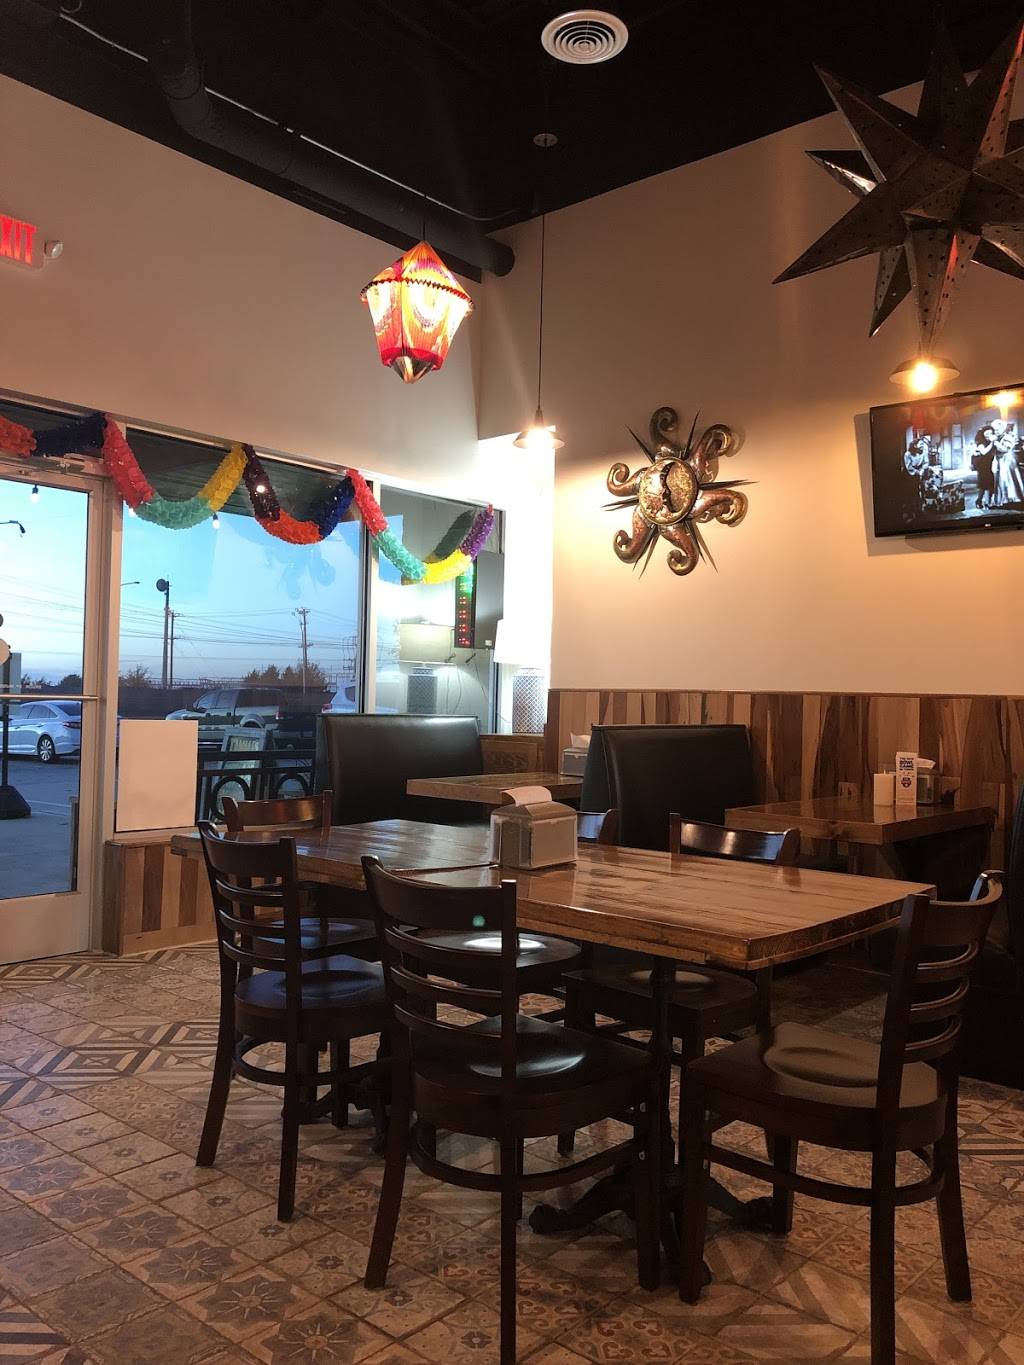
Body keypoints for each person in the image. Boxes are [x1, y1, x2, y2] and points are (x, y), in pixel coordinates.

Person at [992, 429, 1024, 506]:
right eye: (995, 430)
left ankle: (1012, 497)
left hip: (1007, 460)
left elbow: (1006, 449)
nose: (996, 432)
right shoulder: (997, 438)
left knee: (1008, 479)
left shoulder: (1007, 437)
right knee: (1001, 480)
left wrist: (997, 445)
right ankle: (1004, 499)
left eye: (998, 429)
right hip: (1000, 460)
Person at [971, 424, 997, 509]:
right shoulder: (981, 442)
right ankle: (979, 501)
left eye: (990, 433)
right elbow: (984, 452)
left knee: (991, 485)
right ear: (983, 433)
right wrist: (992, 443)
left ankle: (988, 502)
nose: (988, 435)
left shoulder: (992, 442)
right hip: (982, 466)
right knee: (983, 485)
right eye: (986, 433)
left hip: (990, 465)